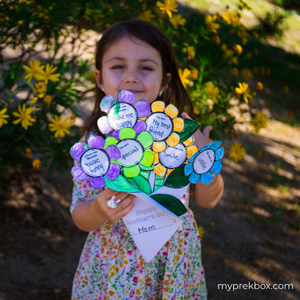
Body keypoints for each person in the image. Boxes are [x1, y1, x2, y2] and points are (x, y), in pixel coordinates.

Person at [70, 19, 224, 300]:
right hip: (113, 272)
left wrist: (204, 153)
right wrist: (98, 210)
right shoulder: (94, 148)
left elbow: (208, 200)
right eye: (118, 66)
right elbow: (80, 216)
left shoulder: (180, 135)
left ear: (165, 81)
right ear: (99, 79)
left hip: (175, 268)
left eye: (145, 67)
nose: (131, 77)